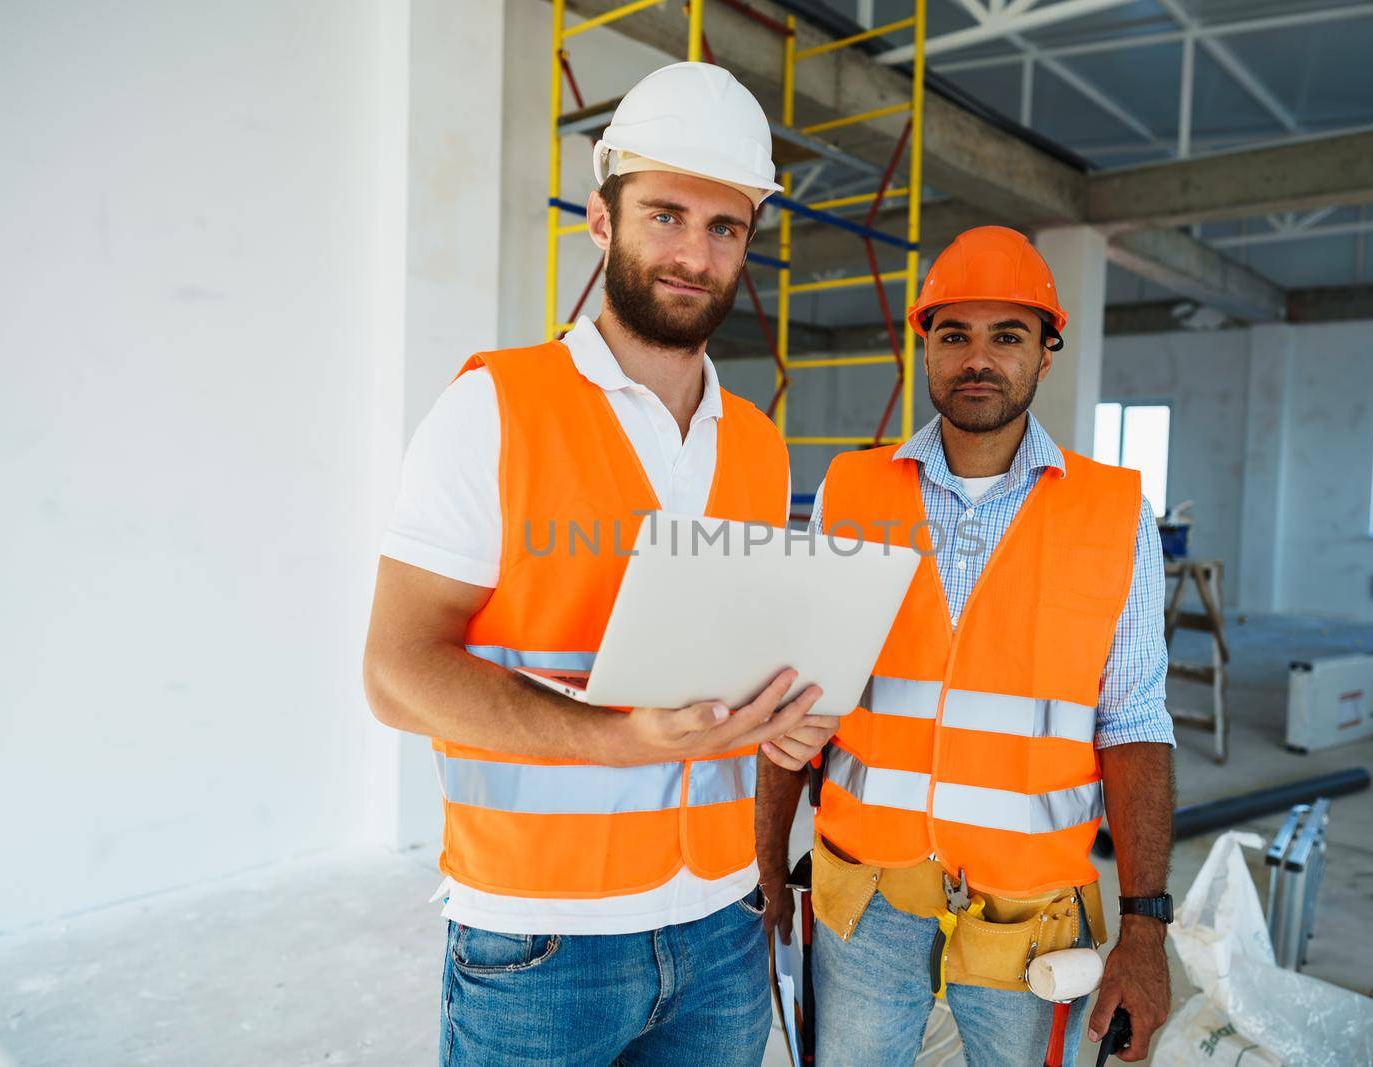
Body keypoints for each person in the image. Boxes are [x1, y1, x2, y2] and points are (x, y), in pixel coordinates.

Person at [363, 62, 838, 1066]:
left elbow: (723, 671)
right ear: (601, 217)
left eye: (725, 228)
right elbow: (396, 671)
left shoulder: (754, 443)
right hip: (540, 937)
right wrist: (612, 737)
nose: (693, 254)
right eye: (666, 213)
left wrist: (780, 718)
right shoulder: (493, 408)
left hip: (719, 923)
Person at [756, 226, 1176, 1064]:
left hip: (1031, 918)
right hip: (864, 893)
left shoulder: (1115, 514)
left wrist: (1144, 927)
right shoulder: (851, 488)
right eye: (954, 334)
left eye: (1007, 335)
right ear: (926, 348)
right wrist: (766, 863)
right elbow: (799, 694)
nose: (977, 358)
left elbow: (1132, 721)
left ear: (1046, 354)